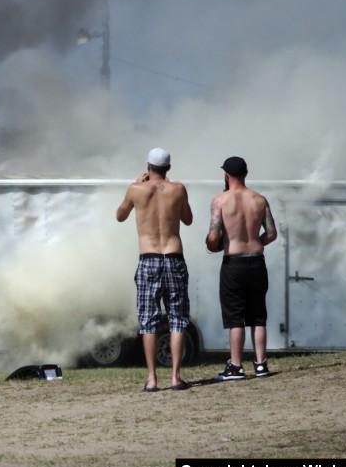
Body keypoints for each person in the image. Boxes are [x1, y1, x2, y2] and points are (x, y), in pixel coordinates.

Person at [117, 148, 193, 391]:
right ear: (168, 168)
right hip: (173, 256)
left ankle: (152, 379)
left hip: (148, 257)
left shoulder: (136, 189)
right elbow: (188, 219)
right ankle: (175, 377)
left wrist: (136, 184)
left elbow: (120, 216)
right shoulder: (178, 189)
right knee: (177, 319)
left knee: (148, 321)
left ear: (148, 166)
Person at [205, 156, 278, 380]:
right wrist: (256, 243)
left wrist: (213, 244)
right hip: (256, 260)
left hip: (233, 263)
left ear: (226, 175)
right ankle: (261, 365)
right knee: (258, 315)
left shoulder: (220, 201)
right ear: (245, 174)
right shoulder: (260, 200)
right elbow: (272, 233)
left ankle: (236, 367)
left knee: (235, 317)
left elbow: (214, 235)